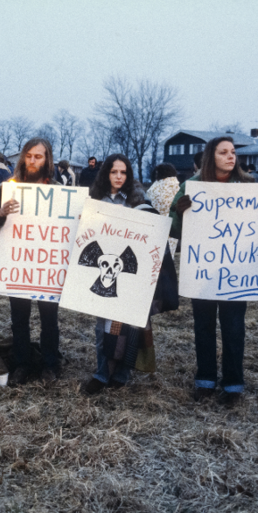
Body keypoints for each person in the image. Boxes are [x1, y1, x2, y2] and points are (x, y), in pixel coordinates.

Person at [81, 154, 177, 394]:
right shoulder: (94, 200)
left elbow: (152, 239)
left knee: (128, 328)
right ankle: (101, 374)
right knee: (103, 328)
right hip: (102, 274)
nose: (118, 177)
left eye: (123, 173)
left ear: (129, 175)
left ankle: (122, 374)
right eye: (114, 172)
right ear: (106, 173)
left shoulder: (139, 202)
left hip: (130, 276)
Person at [169, 136, 254, 406]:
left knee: (233, 329)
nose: (231, 157)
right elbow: (173, 232)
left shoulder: (248, 186)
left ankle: (233, 384)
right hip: (202, 269)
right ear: (210, 156)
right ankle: (205, 380)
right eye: (223, 152)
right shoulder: (191, 186)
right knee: (203, 326)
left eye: (233, 152)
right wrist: (180, 214)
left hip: (235, 270)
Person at [0, 137, 62, 384]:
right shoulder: (8, 187)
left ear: (47, 159)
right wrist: (0, 213)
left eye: (38, 156)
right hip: (19, 264)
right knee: (19, 317)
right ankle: (21, 363)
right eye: (29, 155)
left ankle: (50, 364)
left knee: (49, 319)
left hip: (47, 265)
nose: (32, 161)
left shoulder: (59, 189)